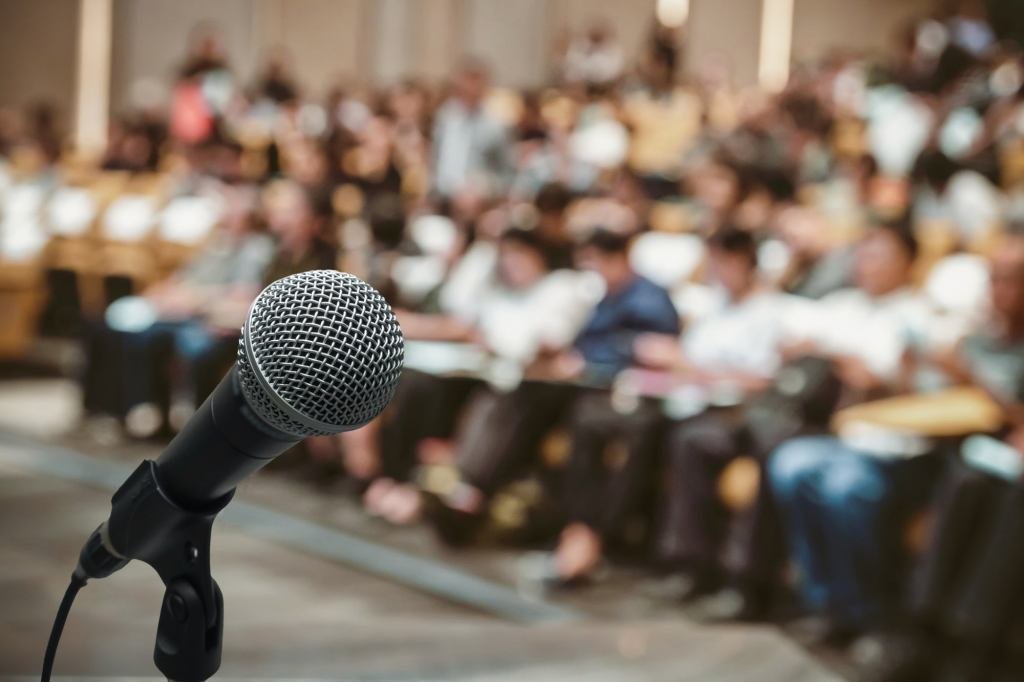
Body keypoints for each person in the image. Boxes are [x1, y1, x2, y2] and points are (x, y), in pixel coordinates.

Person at [548, 226, 791, 585]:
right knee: (592, 418)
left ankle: (664, 554)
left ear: (746, 263)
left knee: (665, 436)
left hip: (730, 412)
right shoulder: (713, 304)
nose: (717, 271)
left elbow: (762, 380)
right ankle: (580, 529)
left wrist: (691, 368)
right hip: (680, 398)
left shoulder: (770, 312)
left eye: (724, 263)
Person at [423, 228, 679, 544]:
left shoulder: (646, 298)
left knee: (544, 404)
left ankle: (580, 534)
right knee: (506, 395)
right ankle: (470, 489)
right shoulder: (601, 295)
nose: (589, 270)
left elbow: (650, 350)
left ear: (617, 259)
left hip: (618, 396)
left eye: (593, 261)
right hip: (578, 387)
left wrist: (584, 356)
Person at [767, 218, 934, 645]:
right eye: (863, 254)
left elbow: (899, 383)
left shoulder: (919, 315)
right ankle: (827, 600)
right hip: (843, 436)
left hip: (900, 447)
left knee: (844, 488)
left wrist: (843, 358)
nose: (866, 263)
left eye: (879, 254)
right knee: (791, 465)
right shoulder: (842, 303)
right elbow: (790, 338)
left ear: (908, 262)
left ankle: (867, 609)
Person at [868, 229, 1024, 682]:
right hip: (983, 453)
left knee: (1013, 500)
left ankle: (971, 645)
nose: (1002, 291)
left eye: (1013, 280)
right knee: (964, 480)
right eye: (995, 280)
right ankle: (924, 627)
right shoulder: (976, 338)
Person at [431, 58, 512, 201]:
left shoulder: (496, 125)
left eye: (475, 82)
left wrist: (483, 186)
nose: (469, 87)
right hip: (441, 196)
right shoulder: (445, 116)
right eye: (465, 81)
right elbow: (434, 157)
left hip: (477, 199)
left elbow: (507, 173)